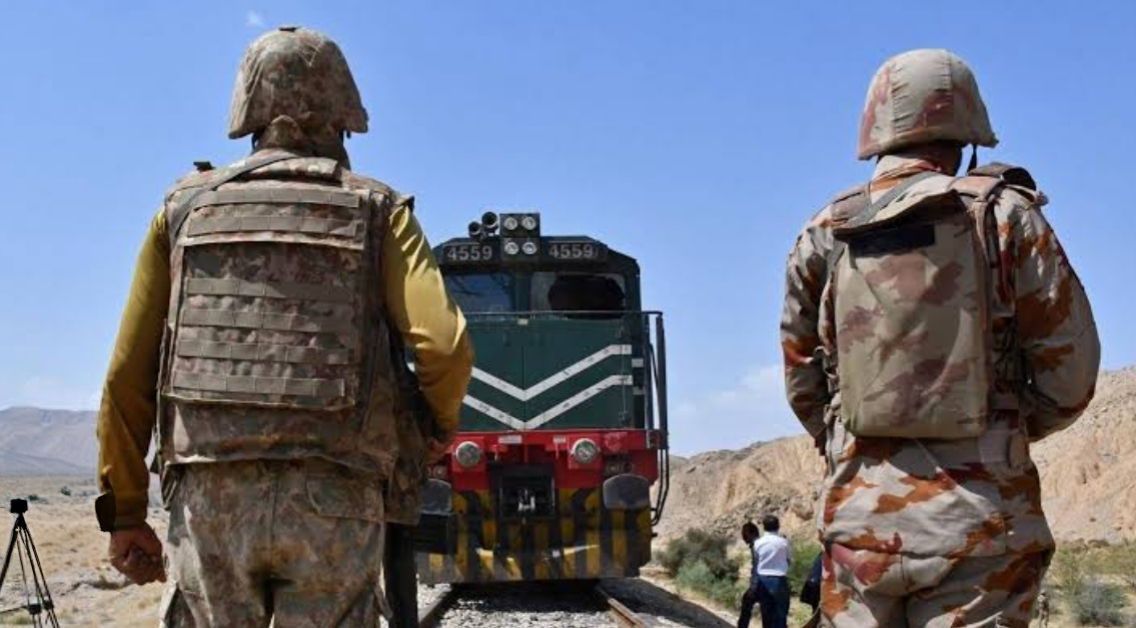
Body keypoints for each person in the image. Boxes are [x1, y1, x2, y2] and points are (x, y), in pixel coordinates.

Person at [93, 25, 473, 626]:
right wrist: (436, 430)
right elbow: (444, 345)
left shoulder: (183, 211)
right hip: (337, 494)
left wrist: (125, 512)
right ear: (344, 115)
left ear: (248, 112)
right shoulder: (380, 210)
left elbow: (126, 377)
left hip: (209, 498)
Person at [780, 48, 1100, 626]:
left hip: (859, 528)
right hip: (982, 529)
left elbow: (802, 379)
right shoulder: (1006, 218)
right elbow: (1070, 377)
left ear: (874, 130)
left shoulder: (825, 232)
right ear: (967, 129)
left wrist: (854, 442)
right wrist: (999, 423)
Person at [738, 518, 792, 628]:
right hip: (780, 581)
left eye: (745, 533)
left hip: (763, 581)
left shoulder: (758, 544)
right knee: (779, 614)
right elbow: (788, 561)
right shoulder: (784, 542)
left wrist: (753, 587)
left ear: (764, 527)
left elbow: (757, 566)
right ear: (778, 526)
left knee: (766, 613)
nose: (743, 536)